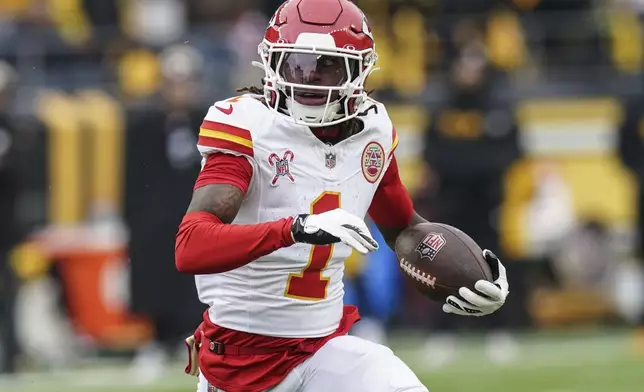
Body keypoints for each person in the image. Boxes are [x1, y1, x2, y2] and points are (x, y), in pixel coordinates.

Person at [176, 1, 510, 391]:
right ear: (271, 64)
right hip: (241, 361)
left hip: (323, 346)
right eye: (295, 64)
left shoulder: (372, 132)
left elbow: (403, 227)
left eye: (327, 65)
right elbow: (190, 246)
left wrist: (471, 277)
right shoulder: (249, 128)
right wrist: (296, 229)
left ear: (360, 69)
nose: (308, 79)